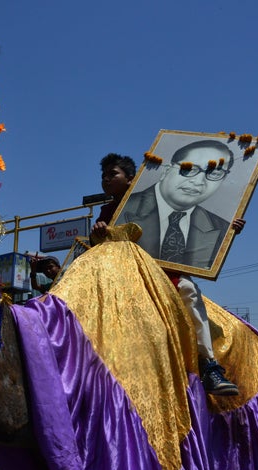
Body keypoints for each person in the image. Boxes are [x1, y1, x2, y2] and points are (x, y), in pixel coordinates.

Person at [92, 152, 243, 396]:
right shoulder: (106, 212)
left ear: (131, 179)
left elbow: (194, 223)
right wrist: (98, 232)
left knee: (189, 291)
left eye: (113, 174)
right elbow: (99, 246)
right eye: (103, 176)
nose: (106, 180)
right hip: (123, 278)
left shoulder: (158, 200)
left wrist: (227, 228)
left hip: (163, 274)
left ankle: (209, 364)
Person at [120, 140, 237, 268]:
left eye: (214, 173)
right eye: (189, 169)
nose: (198, 181)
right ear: (167, 170)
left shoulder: (221, 228)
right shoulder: (122, 209)